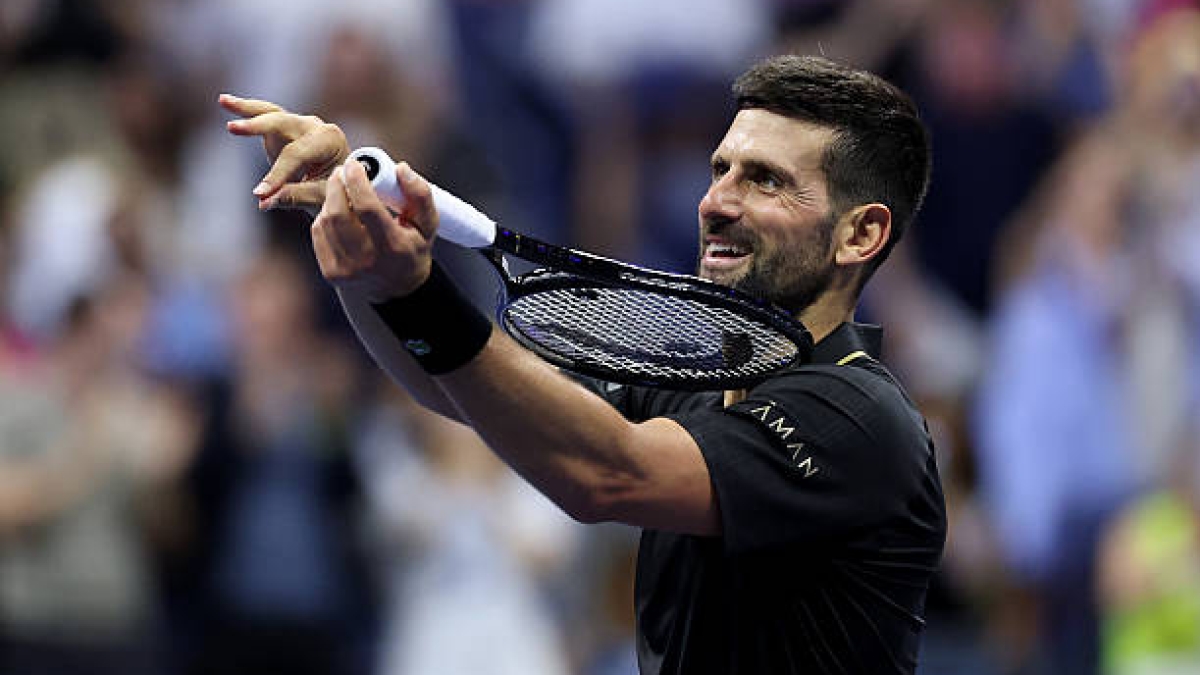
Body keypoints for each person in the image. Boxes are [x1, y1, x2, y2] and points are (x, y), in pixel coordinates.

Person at [220, 54, 946, 674]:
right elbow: (465, 392)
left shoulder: (860, 416)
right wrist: (374, 275)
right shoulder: (689, 381)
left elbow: (609, 472)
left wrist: (418, 294)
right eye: (719, 169)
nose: (716, 201)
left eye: (764, 180)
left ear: (860, 234)